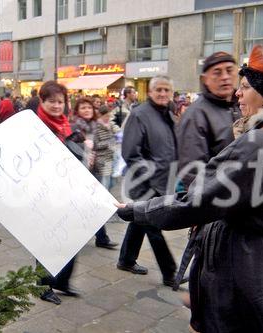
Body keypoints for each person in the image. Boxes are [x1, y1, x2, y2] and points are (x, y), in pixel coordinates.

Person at [116, 45, 263, 333]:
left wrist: (138, 209)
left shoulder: (259, 143)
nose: (237, 93)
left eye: (244, 87)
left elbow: (198, 200)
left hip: (245, 267)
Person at [117, 76, 180, 288]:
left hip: (162, 182)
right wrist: (151, 178)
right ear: (150, 92)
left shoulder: (167, 114)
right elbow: (131, 153)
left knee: (139, 222)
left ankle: (126, 260)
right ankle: (171, 273)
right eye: (159, 90)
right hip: (146, 185)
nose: (163, 94)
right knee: (154, 227)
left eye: (166, 90)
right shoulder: (140, 114)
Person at [36, 81, 81, 305]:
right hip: (43, 192)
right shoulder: (36, 126)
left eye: (60, 102)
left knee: (73, 234)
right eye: (51, 101)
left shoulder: (64, 125)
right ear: (42, 101)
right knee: (46, 239)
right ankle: (43, 285)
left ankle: (62, 280)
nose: (56, 106)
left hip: (65, 188)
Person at [177, 51, 241, 188]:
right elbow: (192, 172)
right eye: (217, 72)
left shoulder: (241, 106)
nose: (225, 77)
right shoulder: (196, 115)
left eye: (229, 70)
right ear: (205, 79)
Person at [70, 97, 118, 250]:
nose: (87, 110)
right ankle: (74, 237)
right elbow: (68, 148)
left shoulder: (94, 126)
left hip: (94, 170)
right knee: (80, 208)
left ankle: (101, 238)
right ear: (77, 111)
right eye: (83, 108)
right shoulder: (73, 127)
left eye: (89, 108)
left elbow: (97, 145)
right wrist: (84, 149)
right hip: (77, 174)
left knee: (95, 205)